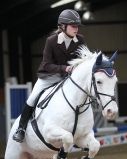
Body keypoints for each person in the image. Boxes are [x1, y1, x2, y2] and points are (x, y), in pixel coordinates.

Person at [13, 9, 86, 143]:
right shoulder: (51, 41)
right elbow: (46, 64)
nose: (76, 29)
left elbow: (84, 58)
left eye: (77, 26)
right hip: (49, 76)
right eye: (73, 26)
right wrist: (64, 68)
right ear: (63, 26)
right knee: (33, 98)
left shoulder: (80, 40)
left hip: (67, 78)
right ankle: (21, 128)